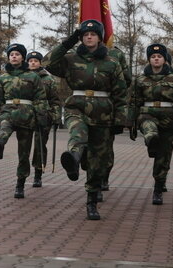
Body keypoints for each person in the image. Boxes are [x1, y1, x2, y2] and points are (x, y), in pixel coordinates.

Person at [42, 20, 128, 220]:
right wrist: (68, 41)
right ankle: (73, 159)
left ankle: (91, 201)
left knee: (97, 159)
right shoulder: (71, 59)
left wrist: (120, 120)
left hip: (103, 113)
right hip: (77, 107)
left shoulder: (111, 62)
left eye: (93, 34)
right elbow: (47, 63)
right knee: (77, 134)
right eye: (85, 34)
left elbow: (121, 93)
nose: (89, 37)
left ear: (100, 38)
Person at [130, 44, 173, 205]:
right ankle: (151, 139)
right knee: (149, 128)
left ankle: (158, 186)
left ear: (165, 60)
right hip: (147, 113)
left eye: (159, 56)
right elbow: (134, 103)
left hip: (169, 118)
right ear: (149, 60)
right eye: (153, 57)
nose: (156, 59)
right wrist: (131, 124)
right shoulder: (140, 80)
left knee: (164, 154)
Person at [0, 43, 48, 199]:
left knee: (24, 152)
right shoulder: (2, 77)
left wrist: (42, 118)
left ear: (23, 57)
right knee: (4, 128)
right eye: (11, 54)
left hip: (26, 114)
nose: (14, 56)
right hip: (8, 111)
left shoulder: (33, 77)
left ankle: (20, 183)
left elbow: (40, 99)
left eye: (17, 54)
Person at [26, 51, 61, 188]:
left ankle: (38, 174)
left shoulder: (48, 79)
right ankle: (22, 174)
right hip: (26, 115)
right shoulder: (23, 77)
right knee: (25, 146)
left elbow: (55, 100)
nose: (33, 62)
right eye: (30, 60)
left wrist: (56, 117)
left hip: (43, 116)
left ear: (40, 63)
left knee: (40, 146)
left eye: (35, 60)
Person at [102, 46, 132, 191]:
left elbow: (126, 80)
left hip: (109, 104)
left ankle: (103, 177)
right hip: (83, 104)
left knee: (106, 145)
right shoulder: (80, 50)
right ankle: (96, 178)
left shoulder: (117, 53)